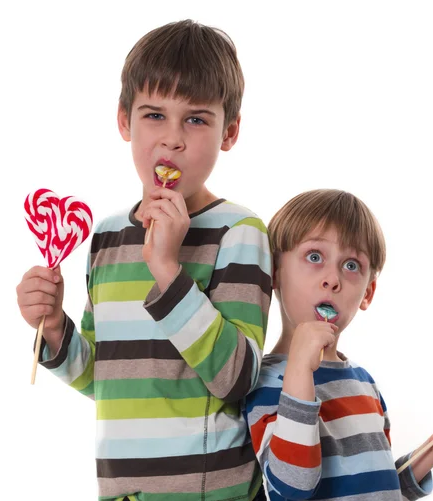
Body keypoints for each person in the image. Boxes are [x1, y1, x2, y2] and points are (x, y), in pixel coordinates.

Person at [16, 20, 271, 501]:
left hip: (211, 493)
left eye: (196, 119)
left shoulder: (239, 232)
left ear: (229, 131)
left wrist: (168, 270)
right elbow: (103, 379)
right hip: (122, 491)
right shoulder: (108, 237)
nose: (172, 139)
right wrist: (53, 328)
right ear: (124, 121)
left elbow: (237, 378)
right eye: (154, 115)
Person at [244, 189, 433, 500]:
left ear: (367, 293)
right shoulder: (265, 382)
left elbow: (382, 486)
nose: (332, 279)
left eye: (351, 265)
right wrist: (299, 369)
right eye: (315, 257)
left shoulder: (364, 383)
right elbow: (292, 486)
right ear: (274, 272)